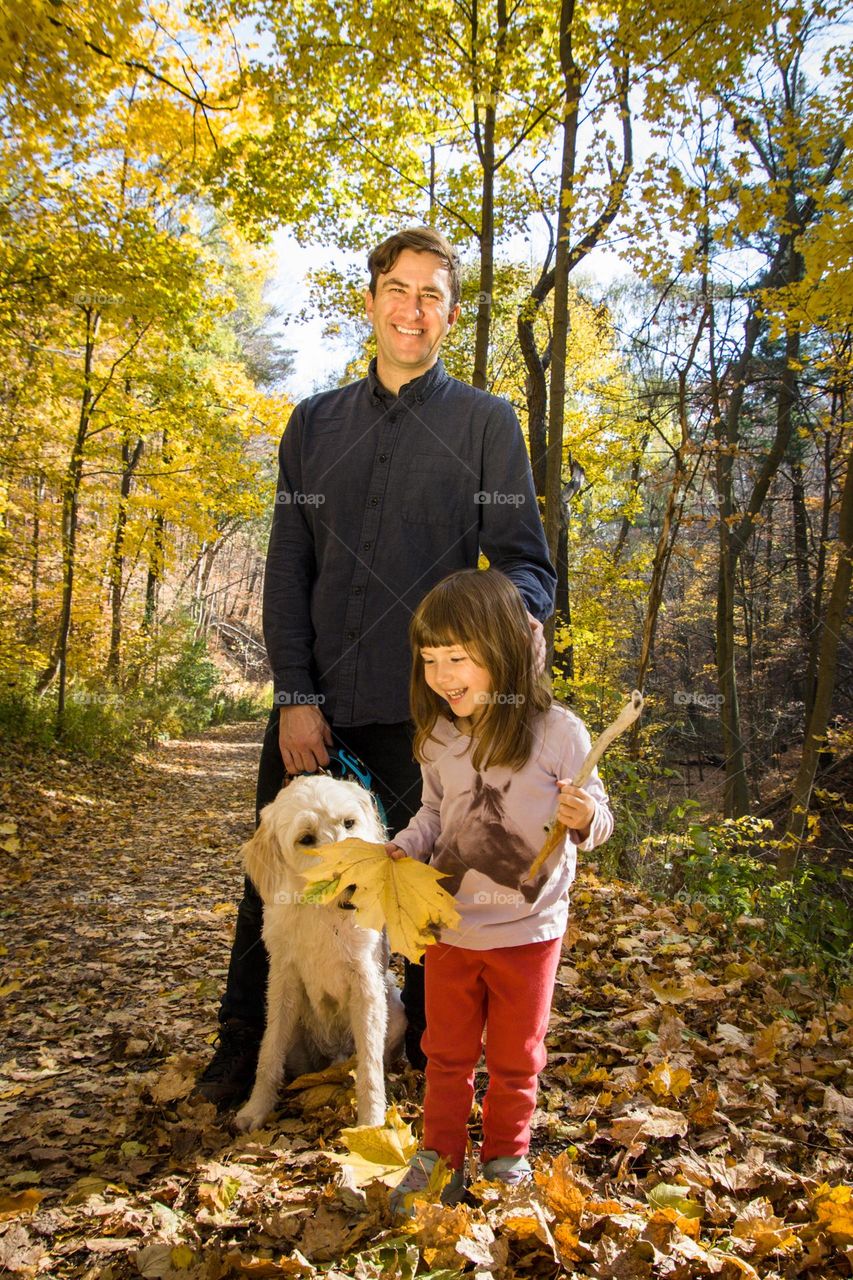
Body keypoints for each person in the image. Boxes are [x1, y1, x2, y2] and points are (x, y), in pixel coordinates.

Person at [196, 227, 557, 1107]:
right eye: (398, 289)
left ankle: (430, 1066)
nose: (413, 308)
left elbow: (526, 566)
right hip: (317, 704)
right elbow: (289, 569)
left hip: (428, 720)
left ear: (451, 313)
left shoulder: (485, 423)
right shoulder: (314, 423)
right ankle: (243, 1052)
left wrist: (493, 640)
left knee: (426, 897)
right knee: (278, 885)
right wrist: (294, 696)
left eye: (432, 295)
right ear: (370, 299)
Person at [386, 568, 613, 1208]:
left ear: (505, 652)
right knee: (445, 1052)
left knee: (517, 1056)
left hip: (529, 931)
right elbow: (434, 814)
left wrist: (585, 818)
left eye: (457, 658)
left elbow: (598, 812)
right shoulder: (438, 737)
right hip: (451, 928)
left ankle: (506, 1158)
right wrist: (406, 845)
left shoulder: (558, 733)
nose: (441, 674)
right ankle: (440, 1158)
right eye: (429, 659)